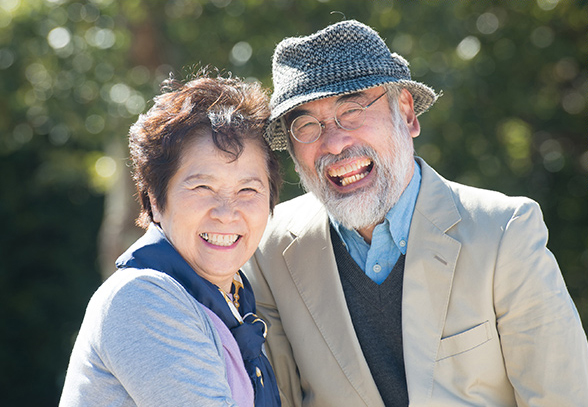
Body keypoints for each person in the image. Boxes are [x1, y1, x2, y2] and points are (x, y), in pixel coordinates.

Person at [242, 20, 588, 407]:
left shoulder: (504, 232)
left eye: (352, 111)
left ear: (406, 113)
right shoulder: (268, 248)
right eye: (306, 125)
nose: (335, 143)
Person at [60, 71, 282, 407]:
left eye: (248, 189)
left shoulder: (234, 300)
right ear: (155, 201)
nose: (226, 212)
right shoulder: (141, 299)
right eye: (202, 187)